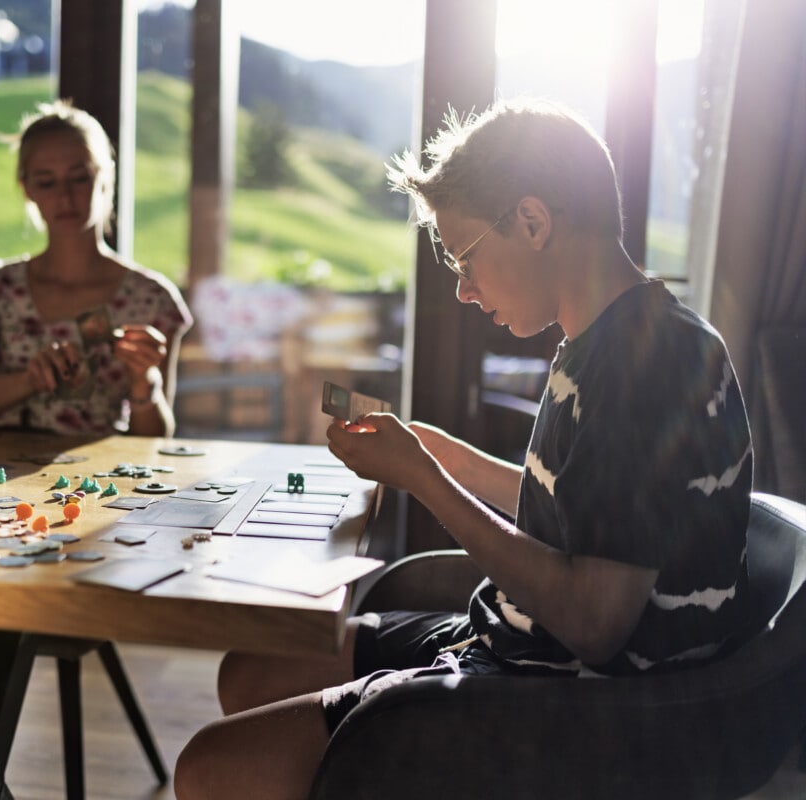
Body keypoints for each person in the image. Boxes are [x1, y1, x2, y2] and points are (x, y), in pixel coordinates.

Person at [173, 97, 754, 799]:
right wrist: (442, 454)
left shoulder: (643, 366)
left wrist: (424, 481)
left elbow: (596, 625)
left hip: (573, 701)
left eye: (464, 255)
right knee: (250, 672)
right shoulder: (611, 337)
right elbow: (581, 516)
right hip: (517, 641)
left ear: (533, 222)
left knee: (209, 769)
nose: (463, 288)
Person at [0, 99, 192, 436]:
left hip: (100, 485)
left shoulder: (153, 298)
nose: (64, 197)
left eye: (78, 178)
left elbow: (156, 440)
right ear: (26, 188)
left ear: (105, 178)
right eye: (47, 182)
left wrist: (144, 383)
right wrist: (29, 380)